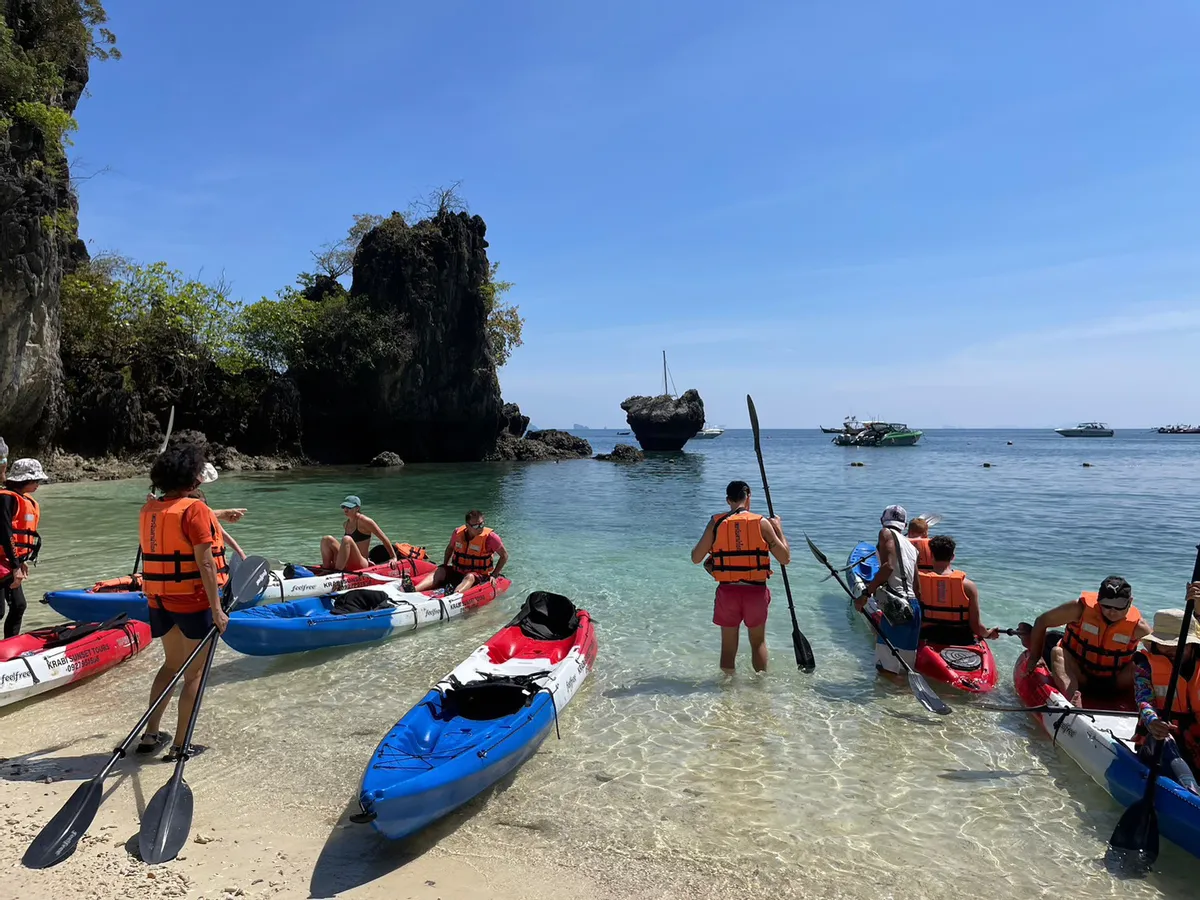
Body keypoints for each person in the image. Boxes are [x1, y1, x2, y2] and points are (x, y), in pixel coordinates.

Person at [136, 438, 231, 760]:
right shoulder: (196, 509)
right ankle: (180, 743)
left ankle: (151, 735)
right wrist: (217, 610)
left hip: (158, 601)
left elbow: (175, 516)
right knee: (194, 674)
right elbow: (205, 562)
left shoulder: (150, 508)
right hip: (191, 602)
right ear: (192, 478)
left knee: (171, 665)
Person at [690, 480, 790, 674]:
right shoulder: (762, 523)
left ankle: (727, 692)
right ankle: (760, 689)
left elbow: (696, 558)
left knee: (728, 647)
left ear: (728, 500)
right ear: (749, 496)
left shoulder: (716, 522)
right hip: (755, 592)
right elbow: (785, 558)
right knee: (758, 642)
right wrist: (778, 529)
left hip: (728, 592)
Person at [1024, 575, 1151, 707]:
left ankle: (1149, 708)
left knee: (1141, 666)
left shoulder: (1139, 627)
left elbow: (1161, 653)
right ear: (1098, 600)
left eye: (1119, 607)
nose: (1112, 612)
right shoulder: (1079, 609)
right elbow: (1042, 621)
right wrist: (1034, 657)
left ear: (1130, 601)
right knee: (1057, 651)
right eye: (1106, 606)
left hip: (1115, 681)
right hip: (1079, 674)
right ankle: (1073, 698)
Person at [1131, 593, 1200, 795]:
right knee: (1165, 741)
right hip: (1159, 736)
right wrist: (1152, 721)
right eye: (1165, 643)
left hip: (1194, 739)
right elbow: (1144, 700)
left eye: (1178, 645)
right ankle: (1193, 795)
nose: (1171, 649)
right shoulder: (1145, 666)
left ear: (1192, 645)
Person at [854, 505, 921, 675]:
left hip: (896, 608)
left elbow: (888, 567)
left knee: (886, 672)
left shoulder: (885, 533)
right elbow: (917, 589)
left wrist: (866, 593)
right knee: (905, 671)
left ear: (882, 521)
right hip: (914, 608)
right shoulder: (912, 548)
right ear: (904, 526)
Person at [915, 535, 998, 646]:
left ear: (931, 555)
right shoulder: (968, 586)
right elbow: (976, 627)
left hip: (927, 637)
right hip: (961, 639)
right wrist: (988, 633)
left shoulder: (918, 583)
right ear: (952, 557)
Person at [0, 458, 49, 639]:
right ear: (23, 480)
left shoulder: (25, 500)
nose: (38, 484)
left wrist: (21, 561)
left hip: (10, 561)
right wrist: (15, 566)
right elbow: (5, 534)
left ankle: (8, 649)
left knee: (19, 605)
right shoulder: (6, 498)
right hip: (3, 562)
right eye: (35, 480)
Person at [413, 509, 508, 596]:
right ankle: (413, 590)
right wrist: (445, 565)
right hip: (457, 571)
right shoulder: (457, 533)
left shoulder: (491, 537)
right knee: (440, 570)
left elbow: (504, 556)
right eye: (475, 526)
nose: (480, 528)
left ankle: (453, 597)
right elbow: (450, 548)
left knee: (470, 577)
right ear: (467, 526)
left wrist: (494, 574)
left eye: (481, 524)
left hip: (478, 575)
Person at [320, 495, 397, 572]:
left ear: (357, 508)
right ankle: (326, 569)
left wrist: (393, 557)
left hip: (361, 563)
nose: (346, 510)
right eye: (344, 507)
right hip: (348, 561)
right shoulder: (346, 524)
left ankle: (337, 572)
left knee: (347, 539)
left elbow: (383, 538)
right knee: (326, 539)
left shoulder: (365, 521)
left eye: (349, 507)